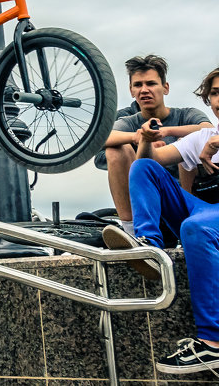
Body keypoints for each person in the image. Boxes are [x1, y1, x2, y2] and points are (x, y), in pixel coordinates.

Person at [102, 66, 219, 375]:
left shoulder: (201, 129)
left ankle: (212, 344)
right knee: (142, 168)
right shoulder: (205, 136)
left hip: (206, 219)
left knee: (193, 228)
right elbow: (149, 162)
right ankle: (149, 248)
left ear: (165, 87)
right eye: (216, 93)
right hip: (202, 208)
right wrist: (146, 137)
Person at [98, 55, 211, 235]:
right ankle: (131, 232)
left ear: (165, 88)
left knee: (188, 142)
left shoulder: (187, 115)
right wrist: (139, 138)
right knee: (116, 149)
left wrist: (167, 132)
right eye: (138, 85)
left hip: (185, 202)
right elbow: (102, 138)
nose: (144, 90)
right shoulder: (128, 121)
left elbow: (208, 130)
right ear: (131, 90)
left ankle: (185, 223)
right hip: (143, 206)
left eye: (151, 84)